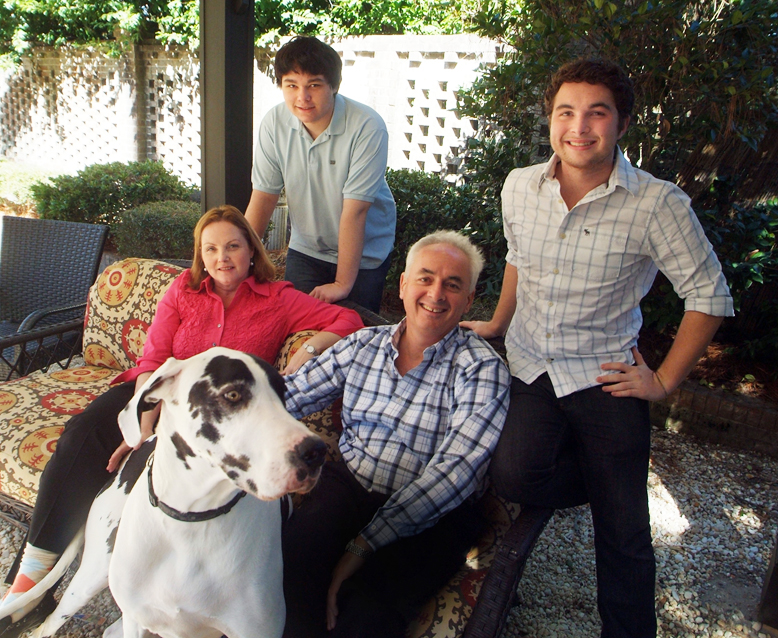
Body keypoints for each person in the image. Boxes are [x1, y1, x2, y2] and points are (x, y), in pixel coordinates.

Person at [462, 59, 734, 638]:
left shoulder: (658, 204)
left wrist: (661, 382)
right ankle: (605, 476)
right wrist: (498, 321)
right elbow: (517, 258)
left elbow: (708, 294)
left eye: (596, 113)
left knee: (626, 535)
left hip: (608, 375)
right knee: (514, 477)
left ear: (622, 123)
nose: (579, 127)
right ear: (550, 118)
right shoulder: (519, 186)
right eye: (566, 112)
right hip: (533, 365)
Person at [0, 205, 363, 637]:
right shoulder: (182, 290)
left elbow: (349, 319)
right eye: (210, 249)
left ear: (252, 250)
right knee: (81, 436)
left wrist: (311, 350)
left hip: (228, 416)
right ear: (200, 255)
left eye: (232, 246)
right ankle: (32, 573)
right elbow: (153, 357)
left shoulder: (279, 298)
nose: (222, 257)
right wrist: (148, 420)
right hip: (158, 391)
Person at [281, 230, 510, 638]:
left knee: (369, 613)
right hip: (348, 484)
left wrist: (363, 545)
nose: (436, 294)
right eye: (425, 278)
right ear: (403, 284)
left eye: (452, 285)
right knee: (290, 570)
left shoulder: (481, 369)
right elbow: (291, 396)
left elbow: (455, 473)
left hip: (434, 515)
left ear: (469, 300)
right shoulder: (362, 346)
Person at [245, 36, 396, 314]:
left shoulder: (367, 126)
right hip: (307, 248)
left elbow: (356, 211)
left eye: (314, 85)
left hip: (363, 255)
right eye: (291, 85)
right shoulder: (274, 123)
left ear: (334, 86)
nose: (302, 97)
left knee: (353, 335)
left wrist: (341, 283)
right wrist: (240, 259)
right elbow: (264, 197)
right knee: (295, 326)